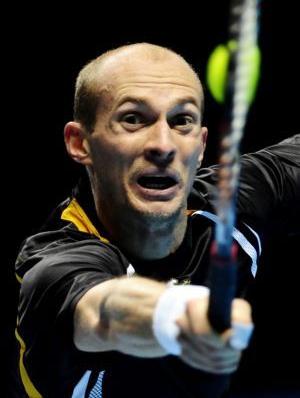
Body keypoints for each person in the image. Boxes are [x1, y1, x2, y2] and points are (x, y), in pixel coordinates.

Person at [12, 43, 299, 398]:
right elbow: (102, 312)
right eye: (133, 119)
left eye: (182, 121)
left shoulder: (231, 202)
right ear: (80, 143)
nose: (163, 145)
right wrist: (179, 314)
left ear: (202, 145)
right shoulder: (55, 262)